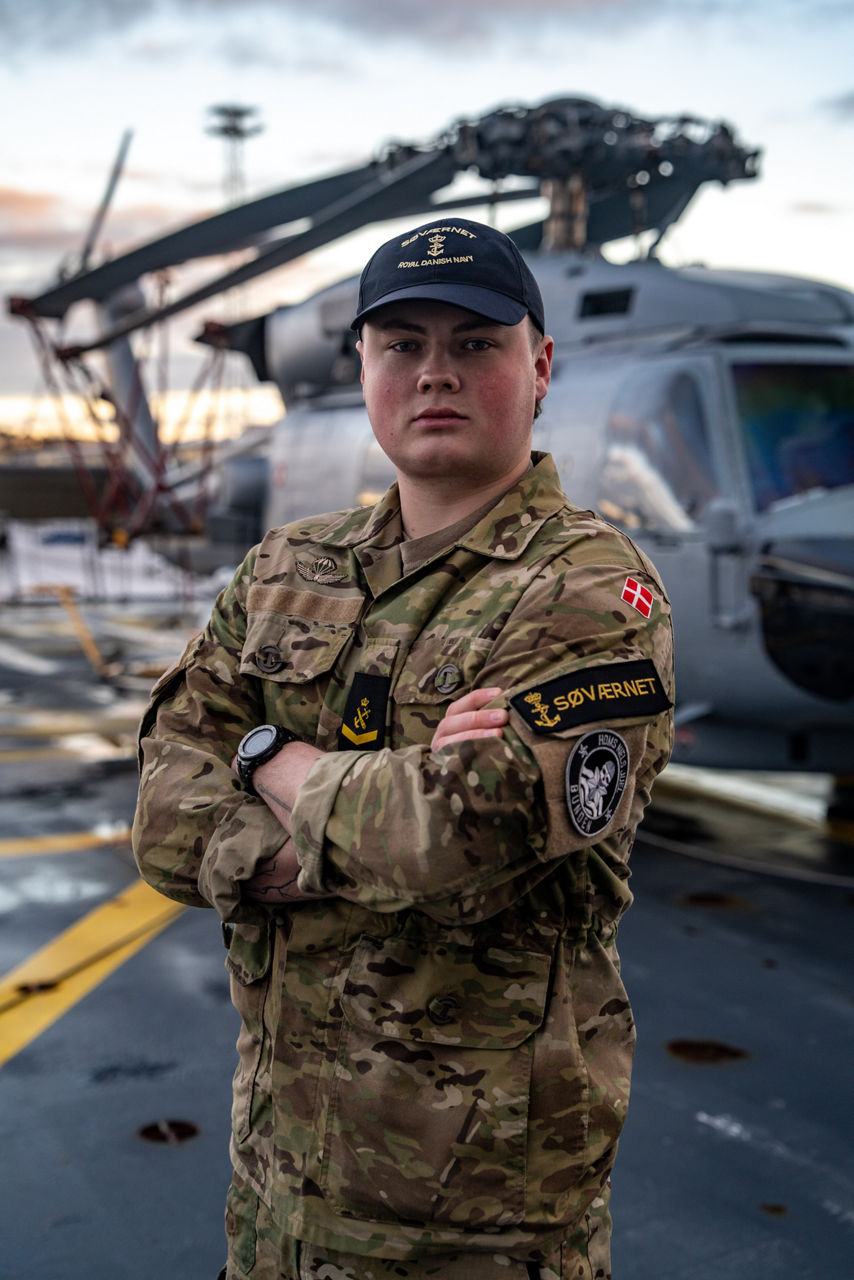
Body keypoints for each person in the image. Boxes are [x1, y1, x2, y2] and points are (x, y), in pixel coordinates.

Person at [133, 217, 674, 1280]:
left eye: (474, 343)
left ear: (539, 365)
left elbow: (454, 840)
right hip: (277, 1190)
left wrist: (265, 758)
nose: (435, 372)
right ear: (366, 366)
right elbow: (159, 820)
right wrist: (367, 812)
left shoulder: (592, 592)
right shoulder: (288, 566)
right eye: (402, 344)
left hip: (481, 1224)